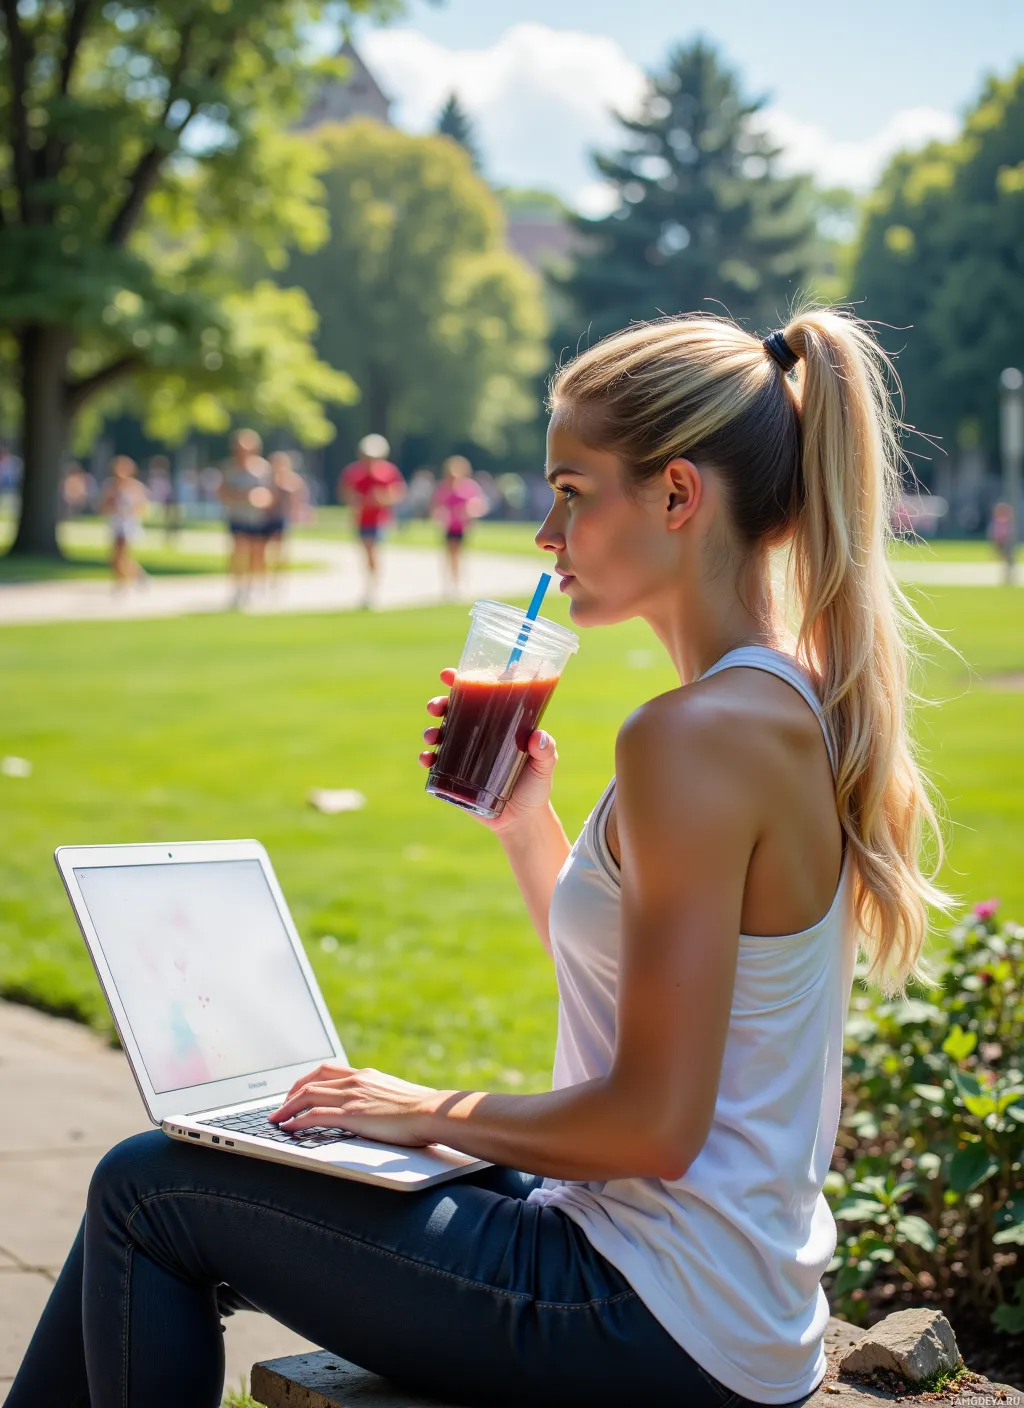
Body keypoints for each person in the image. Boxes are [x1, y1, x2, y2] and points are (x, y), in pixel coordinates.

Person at [9, 309, 952, 1408]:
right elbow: (660, 1007)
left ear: (677, 495)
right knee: (248, 1154)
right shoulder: (780, 699)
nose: (548, 536)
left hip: (647, 1312)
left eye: (570, 491)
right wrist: (527, 829)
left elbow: (653, 1121)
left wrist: (424, 1107)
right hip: (701, 1292)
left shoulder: (691, 736)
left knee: (145, 1187)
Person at [337, 433, 406, 609]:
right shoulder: (354, 472)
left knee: (373, 552)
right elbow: (345, 494)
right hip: (361, 519)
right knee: (366, 554)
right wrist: (357, 501)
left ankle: (372, 589)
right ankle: (370, 586)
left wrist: (380, 499)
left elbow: (397, 494)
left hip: (379, 520)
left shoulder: (388, 472)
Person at [218, 428, 273, 608]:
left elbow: (271, 495)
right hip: (237, 515)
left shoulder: (262, 468)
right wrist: (242, 496)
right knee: (239, 550)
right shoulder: (230, 468)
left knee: (256, 553)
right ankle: (237, 588)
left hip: (256, 517)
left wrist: (260, 498)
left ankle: (254, 585)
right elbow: (223, 493)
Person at [430, 454, 488, 598]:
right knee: (449, 554)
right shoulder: (444, 487)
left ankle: (458, 582)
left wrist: (468, 511)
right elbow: (436, 505)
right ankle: (450, 582)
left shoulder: (468, 487)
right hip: (449, 525)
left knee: (459, 554)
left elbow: (478, 505)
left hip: (462, 526)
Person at [97, 455, 148, 586]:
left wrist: (129, 511)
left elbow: (141, 507)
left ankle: (121, 581)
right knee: (115, 557)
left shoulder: (135, 487)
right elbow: (102, 506)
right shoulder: (110, 486)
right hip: (115, 522)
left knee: (121, 554)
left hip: (128, 524)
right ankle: (136, 575)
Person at [265, 449, 310, 579]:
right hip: (267, 517)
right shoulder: (268, 479)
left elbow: (298, 499)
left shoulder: (292, 480)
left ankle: (279, 576)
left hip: (282, 517)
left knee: (280, 548)